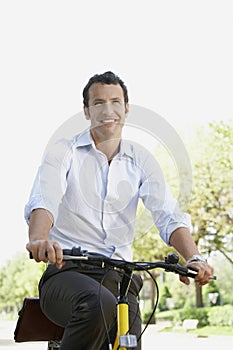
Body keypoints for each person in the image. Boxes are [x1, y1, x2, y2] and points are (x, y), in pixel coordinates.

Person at [25, 71, 214, 350]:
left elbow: (168, 215)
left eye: (116, 101)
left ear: (126, 109)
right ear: (87, 111)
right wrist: (39, 238)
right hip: (67, 274)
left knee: (128, 340)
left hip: (121, 281)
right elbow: (45, 198)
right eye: (98, 103)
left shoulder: (142, 160)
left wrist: (193, 257)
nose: (108, 110)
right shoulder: (64, 152)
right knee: (98, 303)